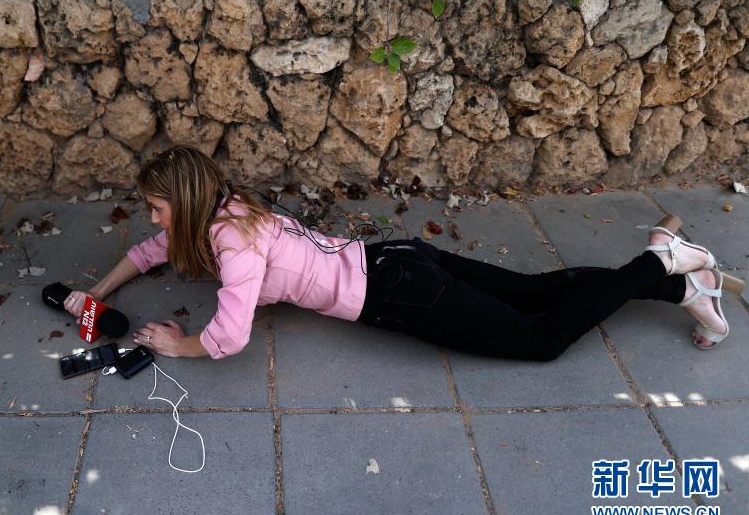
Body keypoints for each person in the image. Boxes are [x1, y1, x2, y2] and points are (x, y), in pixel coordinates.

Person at [62, 145, 745, 359]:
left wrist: (177, 344)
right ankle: (682, 283)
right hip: (397, 259)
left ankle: (657, 260)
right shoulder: (228, 205)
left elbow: (229, 335)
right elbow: (149, 252)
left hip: (400, 295)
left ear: (185, 205)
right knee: (536, 288)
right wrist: (98, 291)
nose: (152, 219)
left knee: (539, 338)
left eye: (157, 208)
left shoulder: (233, 246)